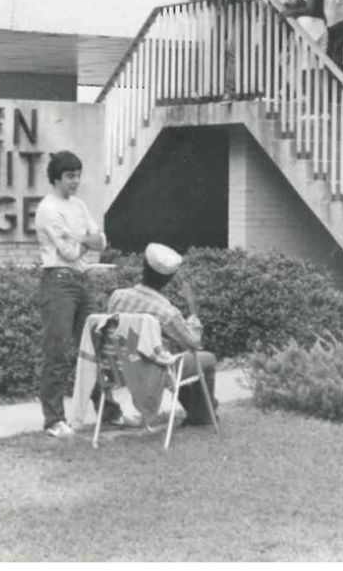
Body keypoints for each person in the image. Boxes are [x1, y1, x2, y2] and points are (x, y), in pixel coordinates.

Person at [34, 151, 131, 438]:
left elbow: (102, 239)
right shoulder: (49, 209)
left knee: (96, 348)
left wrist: (85, 240)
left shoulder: (78, 205)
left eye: (78, 175)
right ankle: (53, 421)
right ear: (56, 178)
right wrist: (87, 241)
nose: (75, 181)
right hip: (58, 283)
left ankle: (108, 412)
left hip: (81, 282)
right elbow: (69, 251)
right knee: (58, 351)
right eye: (69, 176)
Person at [107, 244, 219, 426]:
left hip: (119, 368)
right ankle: (203, 415)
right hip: (152, 371)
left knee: (172, 352)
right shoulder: (166, 311)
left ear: (143, 267)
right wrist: (191, 306)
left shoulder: (117, 296)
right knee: (207, 359)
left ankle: (201, 411)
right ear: (169, 279)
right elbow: (194, 343)